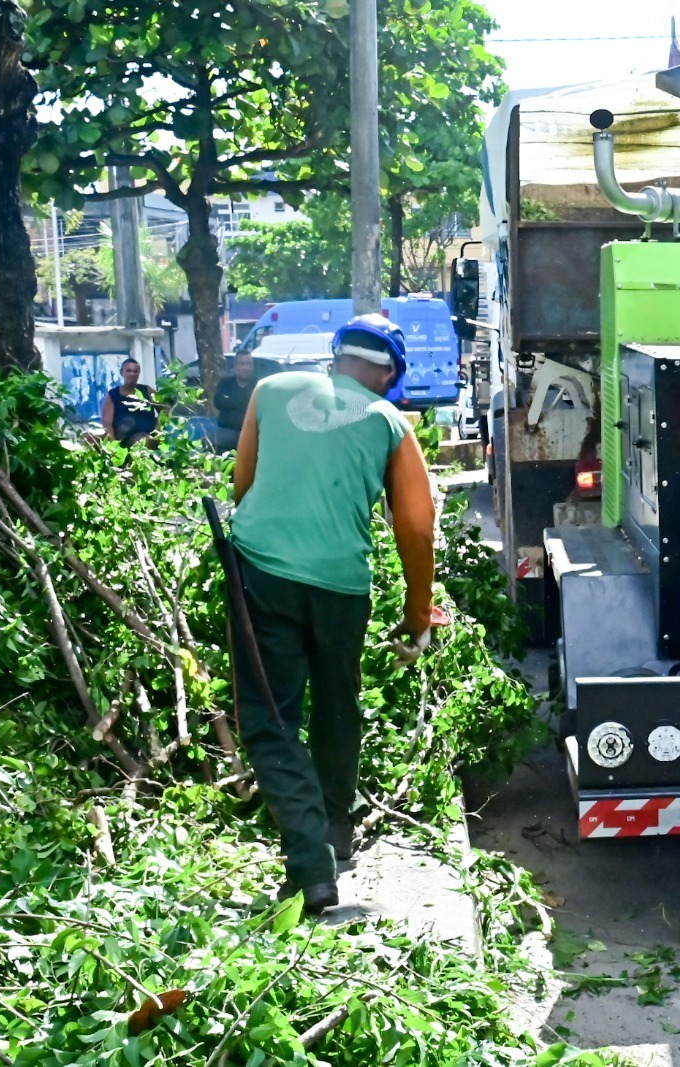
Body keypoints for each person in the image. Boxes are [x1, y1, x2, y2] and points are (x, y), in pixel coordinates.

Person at [229, 313, 436, 913]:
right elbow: (417, 525)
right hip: (343, 587)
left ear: (336, 356)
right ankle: (334, 831)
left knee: (270, 718)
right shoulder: (390, 421)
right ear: (387, 373)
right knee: (337, 702)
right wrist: (418, 610)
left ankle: (311, 862)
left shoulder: (270, 391)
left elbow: (244, 484)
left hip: (262, 574)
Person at [101, 358, 159, 446]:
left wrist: (157, 432)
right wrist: (113, 445)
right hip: (121, 439)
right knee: (89, 436)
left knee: (143, 441)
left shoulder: (147, 390)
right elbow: (107, 423)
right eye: (128, 371)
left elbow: (166, 410)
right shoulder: (113, 394)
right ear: (122, 372)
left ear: (139, 373)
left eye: (135, 371)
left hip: (144, 437)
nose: (132, 374)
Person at [211, 351, 259, 452]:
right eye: (242, 364)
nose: (245, 367)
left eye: (249, 363)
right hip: (227, 431)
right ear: (235, 366)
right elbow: (218, 402)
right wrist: (245, 399)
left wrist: (231, 400)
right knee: (211, 442)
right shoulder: (225, 384)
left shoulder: (259, 385)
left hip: (252, 434)